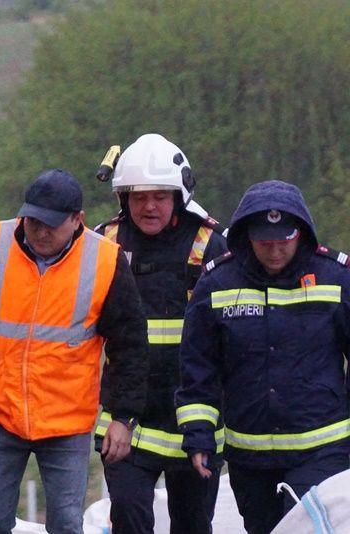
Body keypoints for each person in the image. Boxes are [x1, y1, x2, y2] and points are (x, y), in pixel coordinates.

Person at [0, 168, 148, 534]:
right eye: (33, 221)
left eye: (51, 224)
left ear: (77, 219)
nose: (40, 231)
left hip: (68, 421)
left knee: (67, 525)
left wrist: (123, 415)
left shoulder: (105, 260)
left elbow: (129, 344)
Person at [176, 180, 350, 534]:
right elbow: (198, 368)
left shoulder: (336, 277)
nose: (274, 252)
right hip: (249, 455)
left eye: (283, 242)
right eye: (264, 243)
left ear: (300, 233)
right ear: (247, 237)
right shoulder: (217, 284)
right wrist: (199, 433)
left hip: (322, 450)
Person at [93, 134, 228, 533]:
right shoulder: (105, 242)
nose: (148, 206)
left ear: (179, 196)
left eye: (159, 196)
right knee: (129, 516)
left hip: (194, 418)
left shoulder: (210, 244)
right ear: (124, 199)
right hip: (126, 419)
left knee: (193, 525)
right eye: (138, 197)